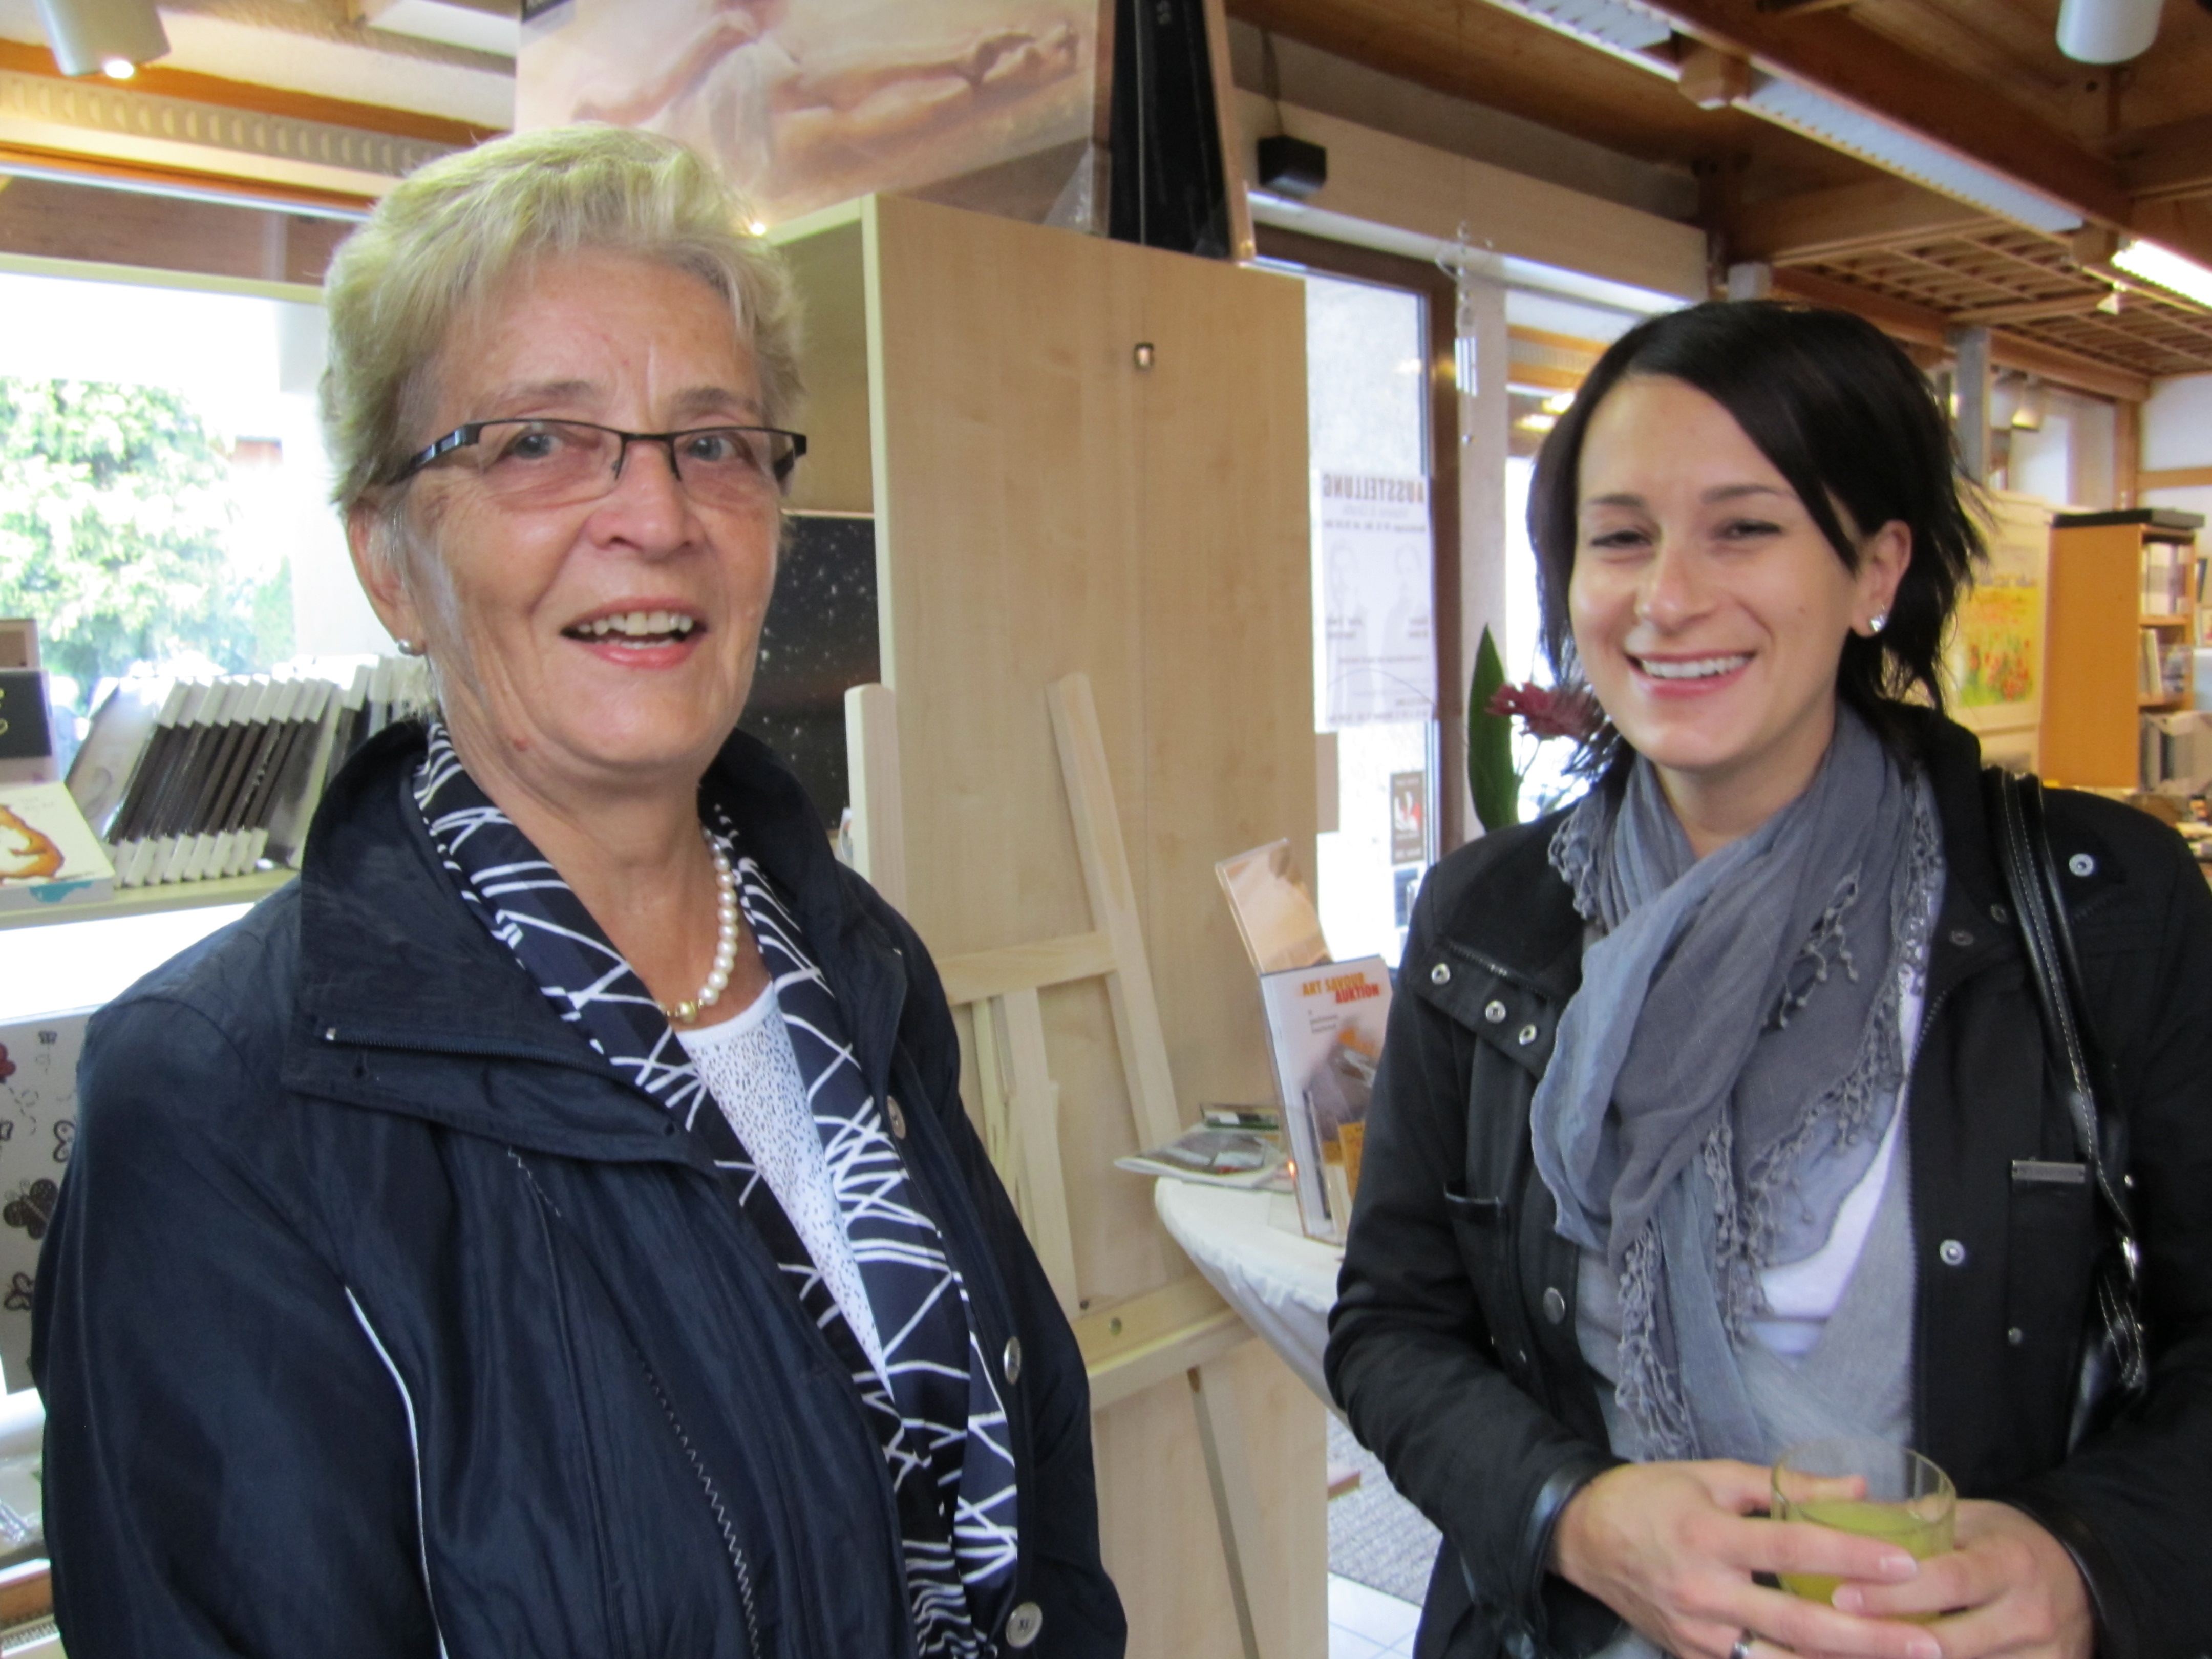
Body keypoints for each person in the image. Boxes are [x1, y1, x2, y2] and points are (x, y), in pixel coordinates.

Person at [33, 124, 1125, 1659]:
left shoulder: (857, 962)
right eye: (539, 441)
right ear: (390, 560)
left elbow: (1023, 1499)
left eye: (714, 443)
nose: (658, 517)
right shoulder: (222, 1101)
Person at [1328, 300, 2212, 1659]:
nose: (1669, 598)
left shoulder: (2102, 908)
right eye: (1621, 537)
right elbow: (1393, 1327)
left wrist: (2084, 1559)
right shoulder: (1491, 919)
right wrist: (1575, 1516)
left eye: (1745, 528)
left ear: (1875, 569)